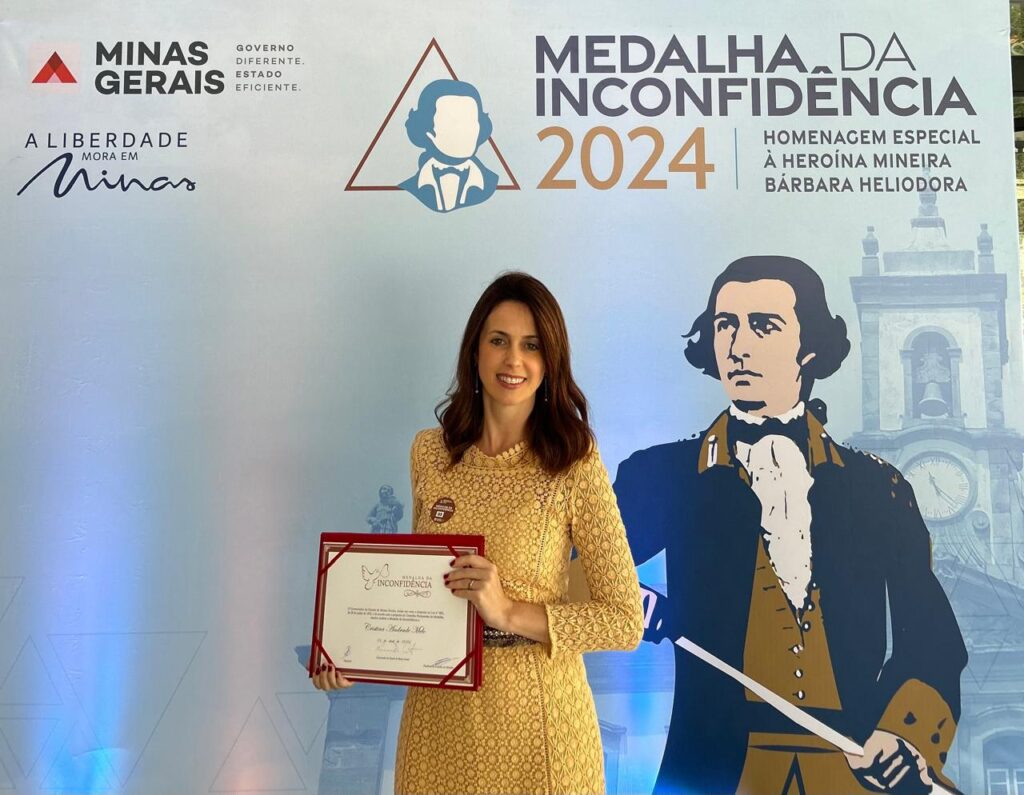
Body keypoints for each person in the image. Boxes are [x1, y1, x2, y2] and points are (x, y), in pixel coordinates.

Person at [614, 256, 967, 795]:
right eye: (725, 325)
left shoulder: (880, 487)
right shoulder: (663, 474)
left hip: (853, 771)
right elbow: (570, 565)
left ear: (810, 347)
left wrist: (902, 734)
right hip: (716, 771)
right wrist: (623, 595)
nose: (737, 345)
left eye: (764, 325)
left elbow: (932, 637)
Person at [313, 272, 643, 794]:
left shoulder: (573, 462)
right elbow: (416, 597)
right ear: (474, 351)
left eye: (531, 346)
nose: (513, 360)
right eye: (499, 341)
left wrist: (508, 611)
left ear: (550, 362)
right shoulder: (430, 454)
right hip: (437, 732)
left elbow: (624, 621)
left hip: (541, 733)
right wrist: (352, 655)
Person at [398, 79, 499, 213]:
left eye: (469, 120)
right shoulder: (408, 188)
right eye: (452, 121)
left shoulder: (492, 182)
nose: (463, 130)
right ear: (426, 128)